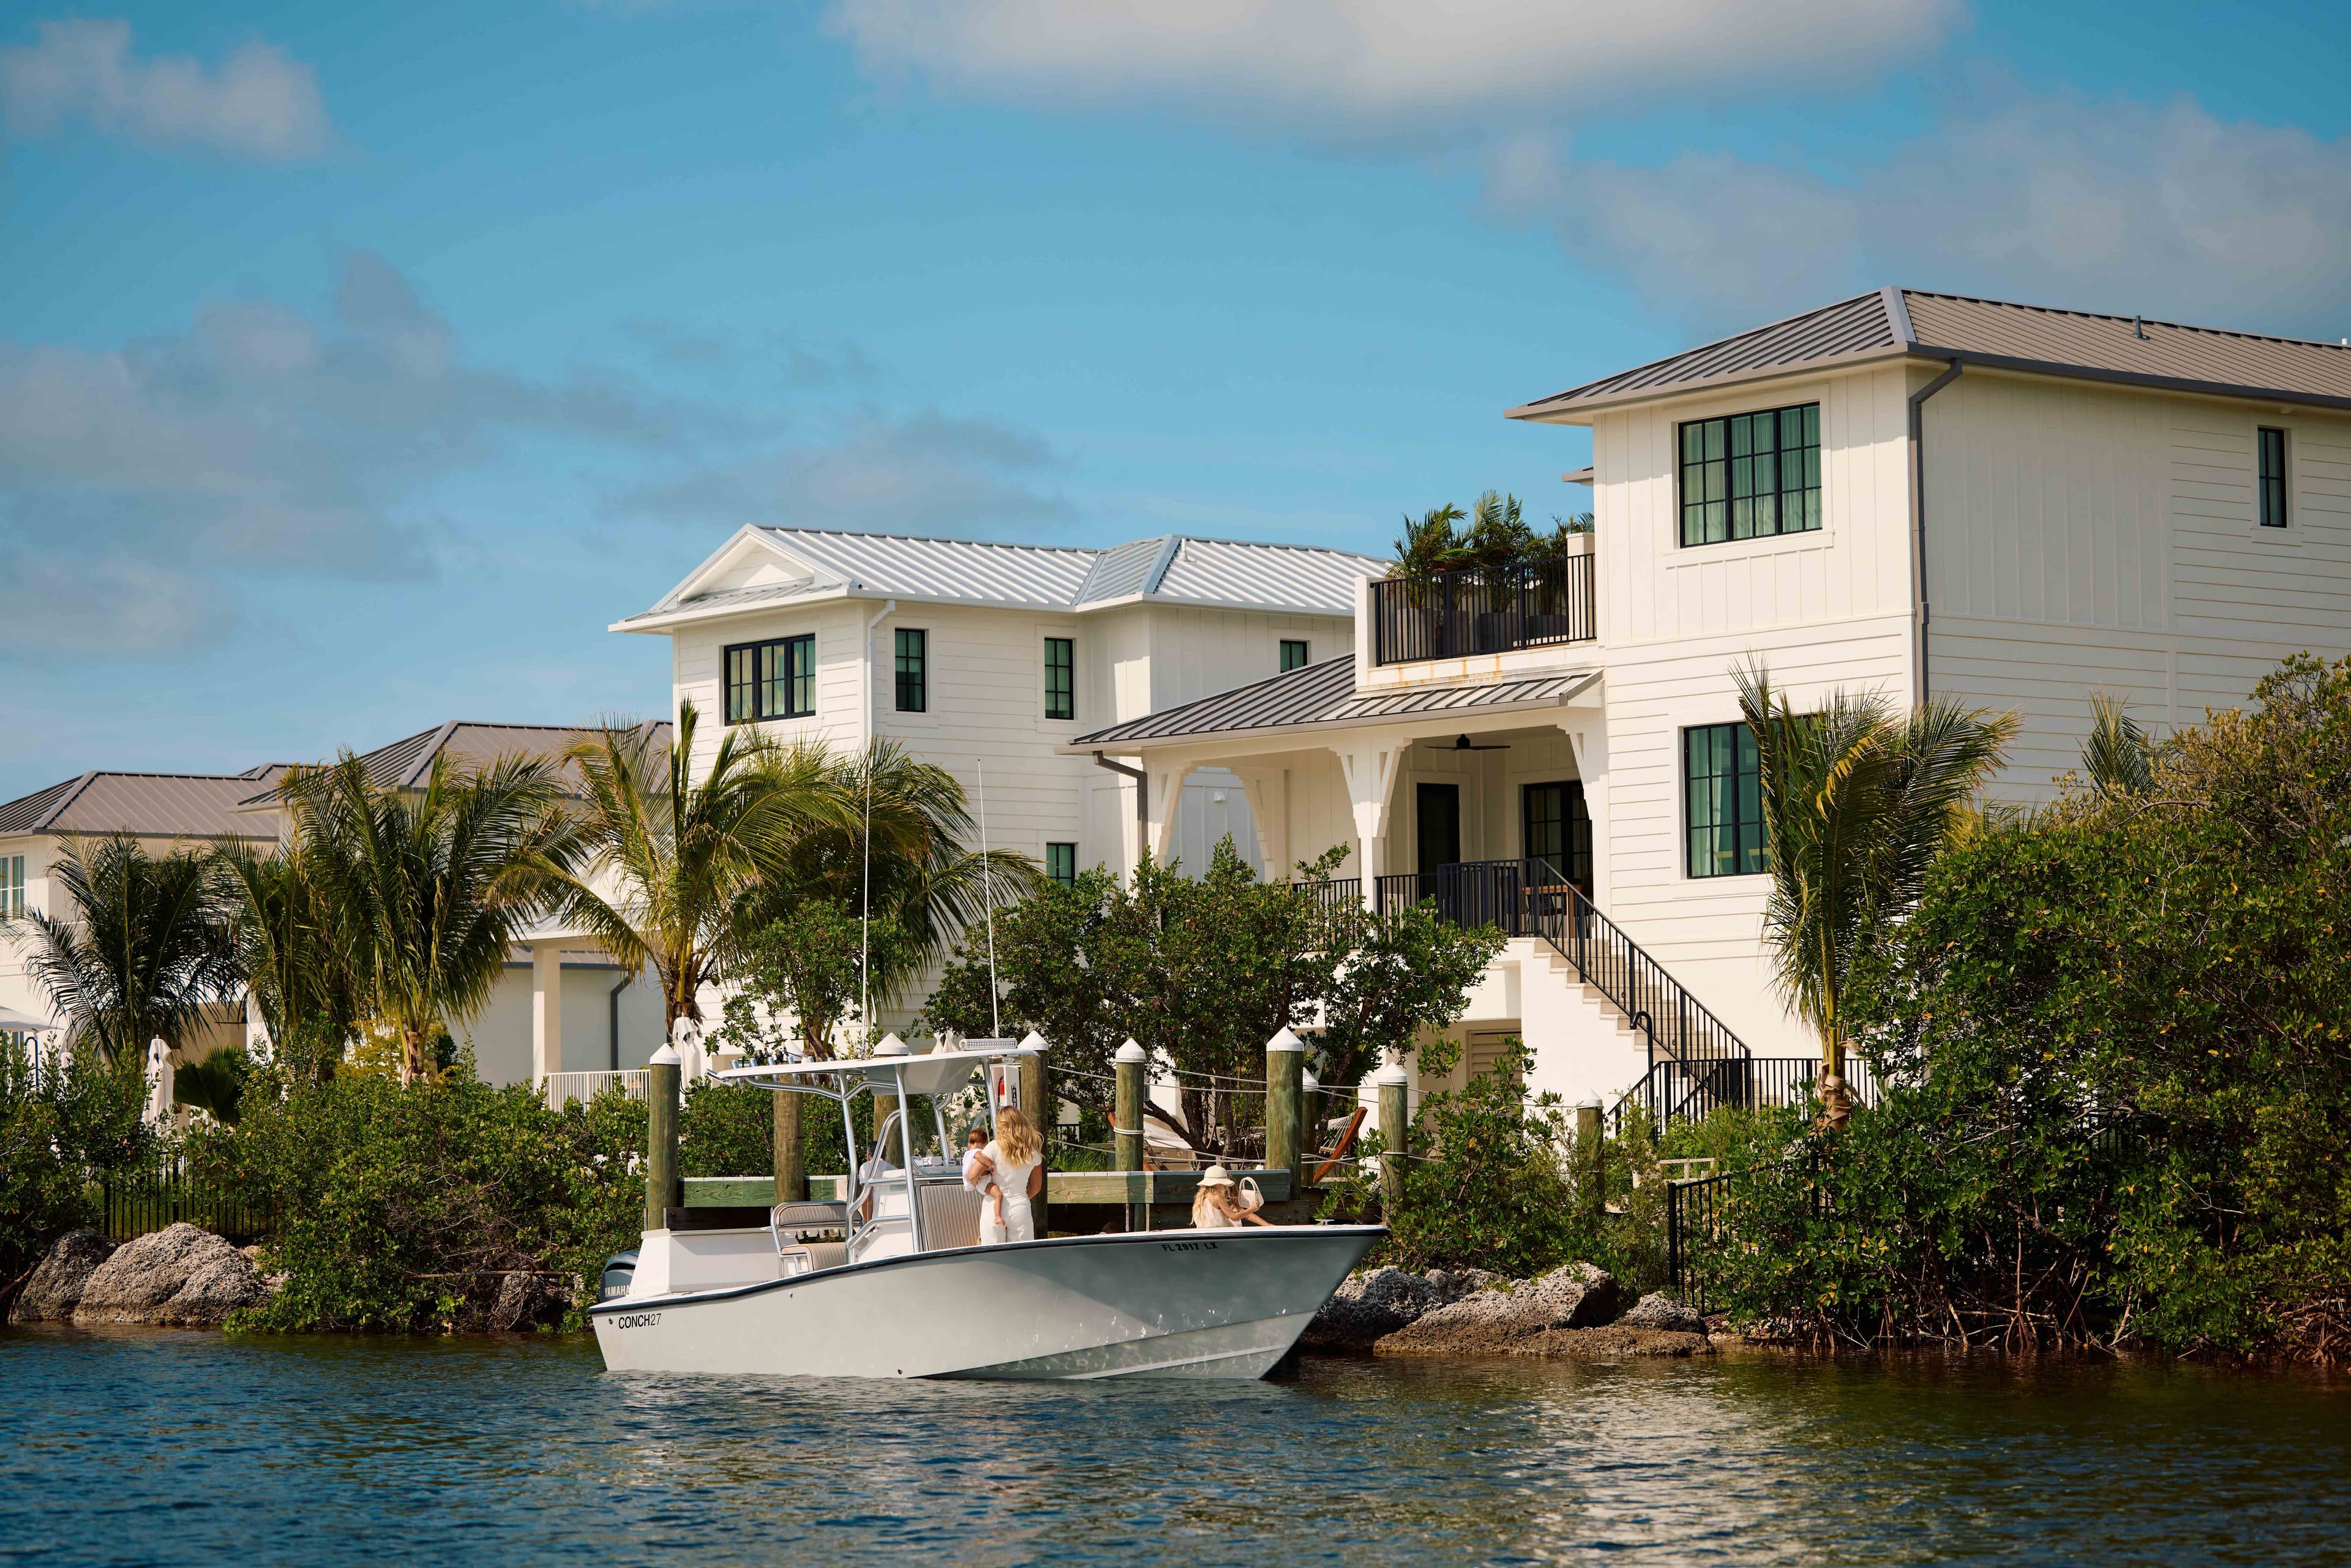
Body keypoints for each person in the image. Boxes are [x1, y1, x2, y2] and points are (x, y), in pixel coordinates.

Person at [977, 1105, 1044, 1245]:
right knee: (1022, 1255)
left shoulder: (993, 1147)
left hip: (993, 1206)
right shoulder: (1032, 1151)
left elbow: (973, 1176)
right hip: (1020, 1206)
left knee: (992, 1255)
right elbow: (1036, 1188)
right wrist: (1018, 1199)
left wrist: (981, 1186)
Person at [1190, 1165, 1272, 1229]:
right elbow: (1234, 1217)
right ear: (1219, 1184)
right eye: (1224, 1185)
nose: (1225, 1187)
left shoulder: (1201, 1198)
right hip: (1220, 1234)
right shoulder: (1217, 1197)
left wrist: (1266, 1224)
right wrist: (1251, 1209)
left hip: (1203, 1233)